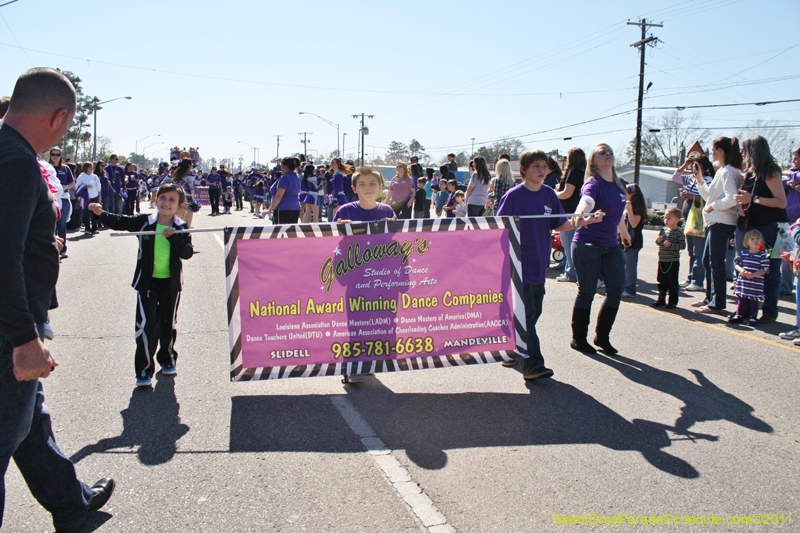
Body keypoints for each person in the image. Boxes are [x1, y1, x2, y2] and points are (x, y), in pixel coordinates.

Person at [0, 66, 114, 533]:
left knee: (29, 418)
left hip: (15, 323)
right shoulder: (17, 163)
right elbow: (2, 256)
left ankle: (71, 501)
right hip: (9, 330)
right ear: (59, 116)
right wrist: (25, 337)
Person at [497, 148, 601, 380]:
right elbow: (498, 227)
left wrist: (585, 221)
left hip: (538, 265)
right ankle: (533, 365)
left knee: (534, 313)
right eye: (536, 166)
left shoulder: (549, 195)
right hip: (517, 264)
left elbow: (560, 223)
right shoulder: (513, 196)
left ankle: (514, 347)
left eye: (544, 166)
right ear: (523, 170)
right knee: (527, 316)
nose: (542, 170)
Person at [87, 183, 193, 386]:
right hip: (146, 283)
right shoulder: (145, 222)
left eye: (172, 200)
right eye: (163, 198)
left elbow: (187, 253)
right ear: (156, 199)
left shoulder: (180, 226)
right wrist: (101, 214)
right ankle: (144, 370)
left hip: (170, 285)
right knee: (146, 326)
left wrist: (174, 239)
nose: (166, 203)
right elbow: (120, 222)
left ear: (179, 205)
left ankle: (167, 359)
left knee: (167, 324)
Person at [334, 167, 396, 383]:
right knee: (357, 322)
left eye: (372, 184)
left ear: (381, 187)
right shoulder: (345, 212)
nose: (368, 188)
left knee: (380, 322)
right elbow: (331, 243)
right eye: (362, 184)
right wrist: (342, 229)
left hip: (382, 278)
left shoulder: (387, 211)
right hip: (356, 279)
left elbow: (396, 243)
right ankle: (351, 368)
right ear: (354, 188)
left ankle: (369, 362)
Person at [570, 144, 631, 355]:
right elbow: (586, 201)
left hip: (610, 246)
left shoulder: (621, 184)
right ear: (594, 161)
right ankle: (578, 339)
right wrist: (580, 214)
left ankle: (602, 336)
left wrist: (624, 232)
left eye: (610, 151)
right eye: (602, 152)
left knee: (615, 290)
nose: (608, 154)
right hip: (587, 245)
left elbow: (618, 212)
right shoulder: (593, 182)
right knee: (587, 292)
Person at [733, 135, 788, 323]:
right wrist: (742, 205)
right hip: (752, 228)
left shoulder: (770, 171)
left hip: (771, 231)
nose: (741, 152)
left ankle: (770, 312)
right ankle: (747, 311)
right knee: (750, 269)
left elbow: (781, 202)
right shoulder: (749, 173)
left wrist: (753, 199)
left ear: (754, 150)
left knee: (771, 270)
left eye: (744, 148)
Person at [692, 137, 744, 314]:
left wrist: (713, 206)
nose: (711, 153)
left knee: (716, 263)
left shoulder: (728, 172)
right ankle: (710, 297)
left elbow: (731, 197)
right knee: (708, 261)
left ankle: (717, 302)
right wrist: (700, 180)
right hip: (716, 221)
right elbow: (710, 196)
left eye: (713, 149)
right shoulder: (723, 171)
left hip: (722, 222)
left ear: (721, 151)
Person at [673, 154, 714, 292]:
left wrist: (691, 197)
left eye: (695, 165)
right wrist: (685, 164)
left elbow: (709, 198)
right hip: (690, 219)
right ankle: (691, 278)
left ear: (703, 166)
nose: (692, 167)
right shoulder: (691, 178)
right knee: (691, 251)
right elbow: (676, 177)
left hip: (699, 219)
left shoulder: (708, 180)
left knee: (699, 251)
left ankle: (698, 281)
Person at [555, 148, 586, 283]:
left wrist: (554, 193)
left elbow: (567, 193)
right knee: (578, 244)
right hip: (581, 211)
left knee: (568, 245)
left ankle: (571, 273)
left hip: (569, 212)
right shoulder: (585, 173)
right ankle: (576, 272)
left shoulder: (573, 172)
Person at [728, 229, 770, 325]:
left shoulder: (762, 255)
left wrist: (753, 275)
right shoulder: (743, 253)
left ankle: (753, 317)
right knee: (741, 300)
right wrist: (741, 271)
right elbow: (736, 264)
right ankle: (739, 315)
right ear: (746, 242)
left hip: (755, 283)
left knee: (753, 301)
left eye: (758, 238)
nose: (755, 240)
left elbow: (764, 269)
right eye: (752, 239)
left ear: (761, 241)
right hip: (744, 282)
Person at [653, 208, 686, 308]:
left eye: (669, 218)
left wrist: (671, 245)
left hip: (672, 261)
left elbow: (682, 246)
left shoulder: (678, 232)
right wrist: (658, 240)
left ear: (676, 220)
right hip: (662, 260)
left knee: (672, 282)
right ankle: (661, 299)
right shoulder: (663, 231)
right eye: (665, 218)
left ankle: (672, 301)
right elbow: (658, 243)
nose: (666, 220)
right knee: (662, 281)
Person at [622, 183, 648, 298]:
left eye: (627, 193)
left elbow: (634, 223)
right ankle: (624, 286)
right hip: (624, 240)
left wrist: (629, 210)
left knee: (630, 267)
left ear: (633, 195)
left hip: (634, 241)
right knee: (623, 266)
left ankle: (630, 289)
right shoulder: (627, 206)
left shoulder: (638, 208)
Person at [49, 147, 74, 259]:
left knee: (61, 224)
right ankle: (52, 250)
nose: (55, 156)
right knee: (51, 225)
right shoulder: (47, 168)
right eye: (53, 154)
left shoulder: (65, 168)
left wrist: (65, 187)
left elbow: (72, 182)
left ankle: (63, 249)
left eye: (57, 154)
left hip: (63, 198)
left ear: (60, 156)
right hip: (50, 199)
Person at [263, 156, 302, 224]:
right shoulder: (297, 177)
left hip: (283, 209)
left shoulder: (284, 178)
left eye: (281, 166)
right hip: (295, 208)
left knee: (279, 233)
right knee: (290, 233)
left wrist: (269, 211)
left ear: (285, 166)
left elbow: (278, 196)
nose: (280, 169)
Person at [75, 162, 101, 235]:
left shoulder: (94, 176)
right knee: (86, 213)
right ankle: (87, 228)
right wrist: (85, 186)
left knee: (94, 213)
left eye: (92, 167)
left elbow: (99, 187)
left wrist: (99, 197)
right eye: (90, 167)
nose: (91, 169)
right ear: (86, 168)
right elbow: (77, 186)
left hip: (94, 196)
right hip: (86, 198)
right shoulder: (81, 176)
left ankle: (95, 228)